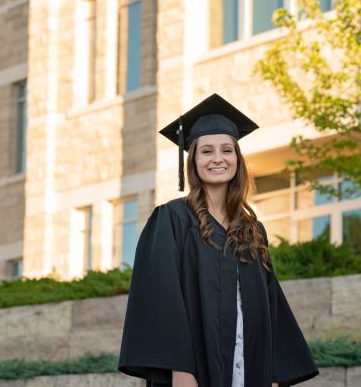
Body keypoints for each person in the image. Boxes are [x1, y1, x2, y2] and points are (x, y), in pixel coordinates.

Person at [118, 94, 319, 387]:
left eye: (227, 150)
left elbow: (271, 303)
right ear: (193, 161)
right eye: (207, 151)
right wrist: (180, 370)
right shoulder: (172, 219)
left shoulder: (252, 231)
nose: (218, 159)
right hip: (194, 370)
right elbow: (161, 298)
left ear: (237, 159)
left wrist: (275, 374)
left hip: (249, 367)